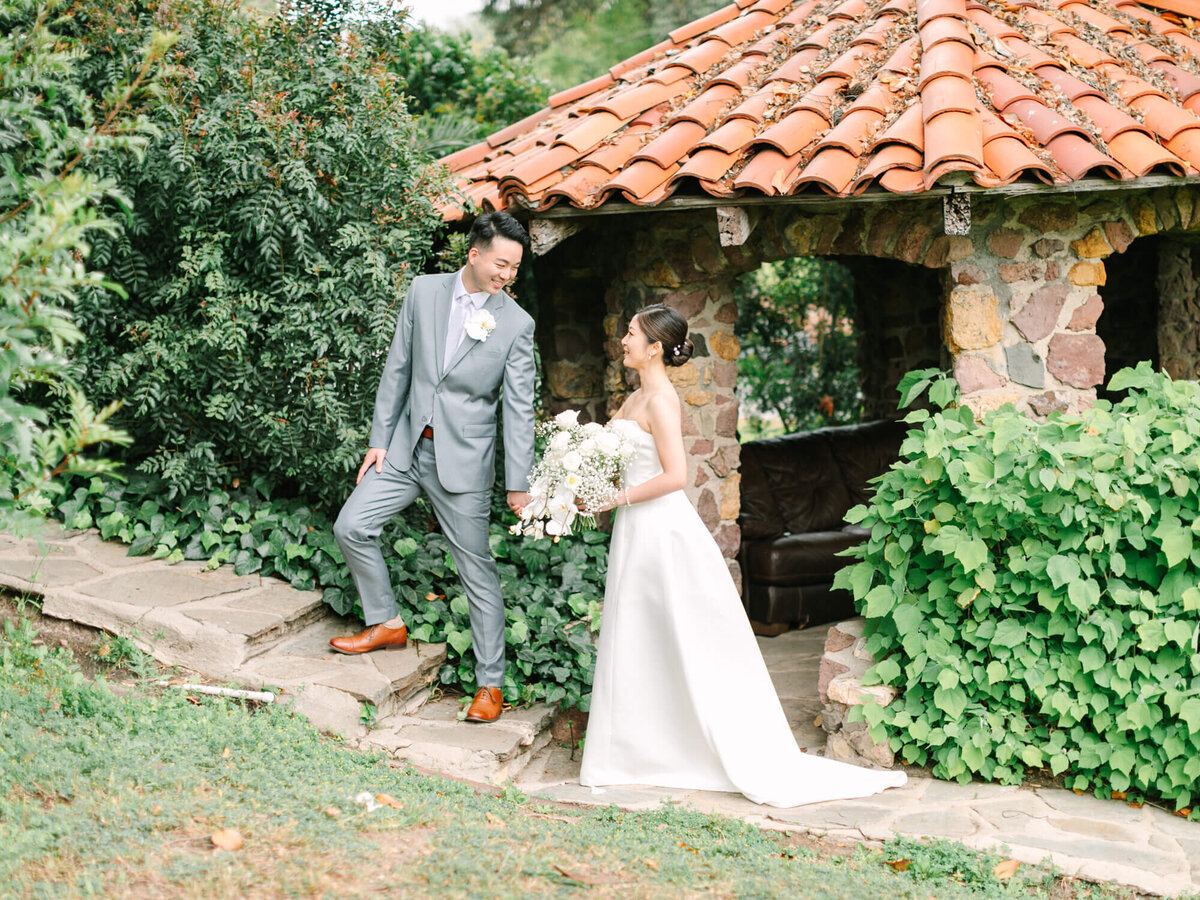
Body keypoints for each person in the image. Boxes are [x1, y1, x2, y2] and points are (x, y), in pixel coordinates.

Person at [578, 304, 907, 806]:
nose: (622, 340)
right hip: (635, 532)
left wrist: (613, 499)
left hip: (662, 532)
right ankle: (636, 747)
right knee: (640, 632)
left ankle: (685, 744)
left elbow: (675, 477)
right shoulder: (633, 398)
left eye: (630, 333)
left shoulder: (662, 400)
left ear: (655, 348)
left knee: (679, 635)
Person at [329, 211, 535, 724]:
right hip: (404, 449)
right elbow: (397, 367)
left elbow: (519, 408)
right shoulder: (423, 292)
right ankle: (386, 623)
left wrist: (518, 483)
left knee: (476, 572)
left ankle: (490, 685)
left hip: (464, 463)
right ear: (475, 254)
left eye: (514, 269)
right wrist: (379, 439)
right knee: (351, 525)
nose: (506, 276)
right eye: (501, 264)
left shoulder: (515, 324)